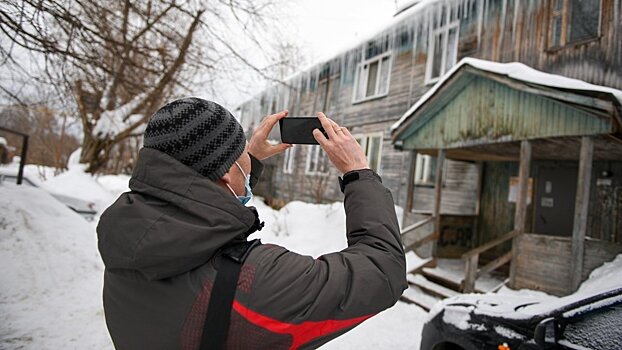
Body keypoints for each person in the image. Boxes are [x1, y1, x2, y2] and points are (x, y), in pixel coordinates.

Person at [97, 97, 407, 349]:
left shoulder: (127, 237)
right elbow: (383, 273)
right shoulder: (256, 280)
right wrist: (358, 173)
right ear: (228, 173)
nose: (247, 155)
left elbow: (196, 201)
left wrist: (247, 163)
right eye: (241, 152)